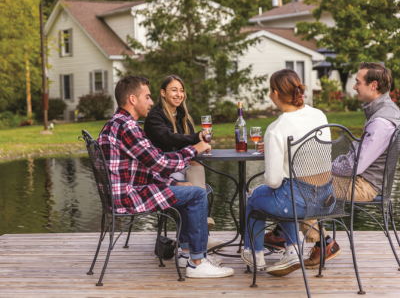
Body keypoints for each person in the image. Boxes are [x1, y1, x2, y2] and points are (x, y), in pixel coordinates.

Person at [260, 62, 400, 270]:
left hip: (365, 185)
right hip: (364, 179)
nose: (354, 86)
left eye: (358, 82)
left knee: (307, 186)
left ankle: (323, 243)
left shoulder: (382, 121)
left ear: (373, 85)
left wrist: (326, 167)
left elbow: (356, 166)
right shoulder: (384, 111)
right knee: (309, 181)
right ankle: (284, 233)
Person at [97, 75, 234, 278]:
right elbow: (160, 162)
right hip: (128, 197)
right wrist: (194, 149)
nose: (151, 102)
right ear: (133, 99)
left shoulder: (115, 124)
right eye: (148, 97)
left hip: (122, 193)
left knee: (188, 187)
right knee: (197, 195)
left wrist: (175, 182)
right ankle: (197, 262)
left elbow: (145, 169)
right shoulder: (127, 127)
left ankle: (186, 253)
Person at [240, 69, 333, 276]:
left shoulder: (276, 128)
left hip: (297, 203)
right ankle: (292, 250)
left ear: (274, 93)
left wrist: (274, 149)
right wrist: (277, 150)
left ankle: (254, 254)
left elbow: (273, 181)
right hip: (326, 199)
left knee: (256, 196)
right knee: (286, 192)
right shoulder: (319, 115)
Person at [144, 75, 224, 253]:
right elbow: (170, 138)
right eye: (174, 90)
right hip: (162, 171)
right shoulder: (154, 117)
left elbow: (185, 143)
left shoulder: (182, 115)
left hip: (179, 166)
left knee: (197, 163)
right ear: (163, 93)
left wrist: (200, 147)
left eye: (181, 90)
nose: (179, 94)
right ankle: (199, 235)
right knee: (193, 190)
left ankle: (199, 233)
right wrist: (196, 139)